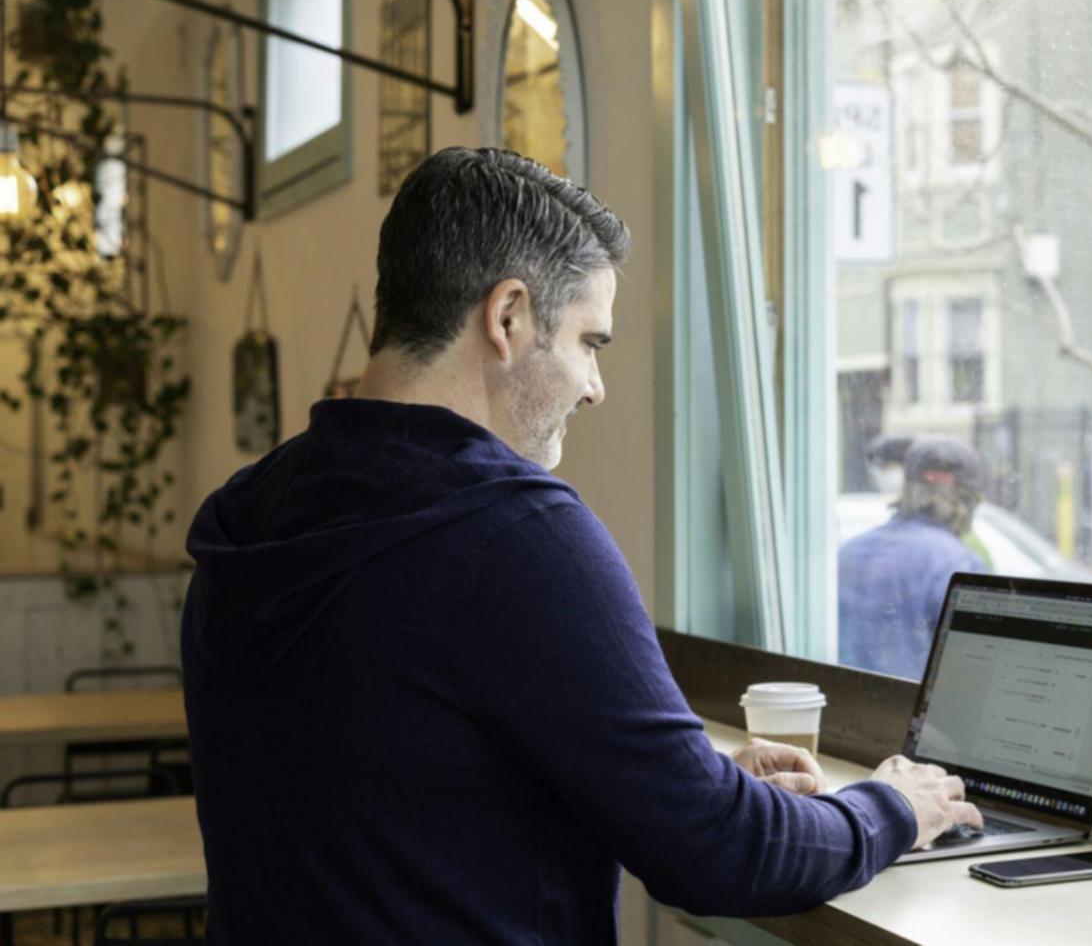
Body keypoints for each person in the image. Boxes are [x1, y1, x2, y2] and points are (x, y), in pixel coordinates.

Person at [180, 148, 978, 943]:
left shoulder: (253, 515)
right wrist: (893, 808)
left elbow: (391, 790)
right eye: (590, 342)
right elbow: (717, 852)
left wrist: (671, 784)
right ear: (508, 317)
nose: (594, 386)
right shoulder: (511, 533)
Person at [838, 437, 987, 679]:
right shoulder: (960, 567)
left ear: (907, 490)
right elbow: (972, 675)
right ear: (969, 501)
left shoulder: (848, 552)